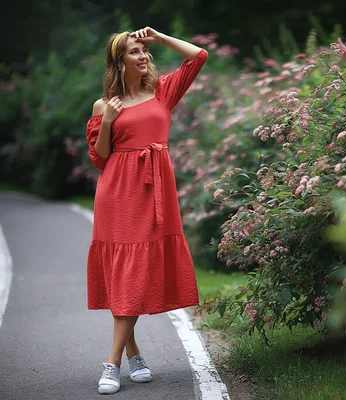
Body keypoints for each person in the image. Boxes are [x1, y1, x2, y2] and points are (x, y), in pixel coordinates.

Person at [85, 27, 208, 395]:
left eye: (143, 50)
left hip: (155, 192)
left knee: (136, 273)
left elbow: (198, 56)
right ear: (118, 61)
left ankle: (129, 355)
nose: (142, 56)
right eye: (133, 51)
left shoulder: (163, 92)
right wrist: (107, 120)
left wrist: (159, 37)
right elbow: (99, 158)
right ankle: (116, 362)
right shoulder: (103, 105)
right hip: (117, 193)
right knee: (125, 273)